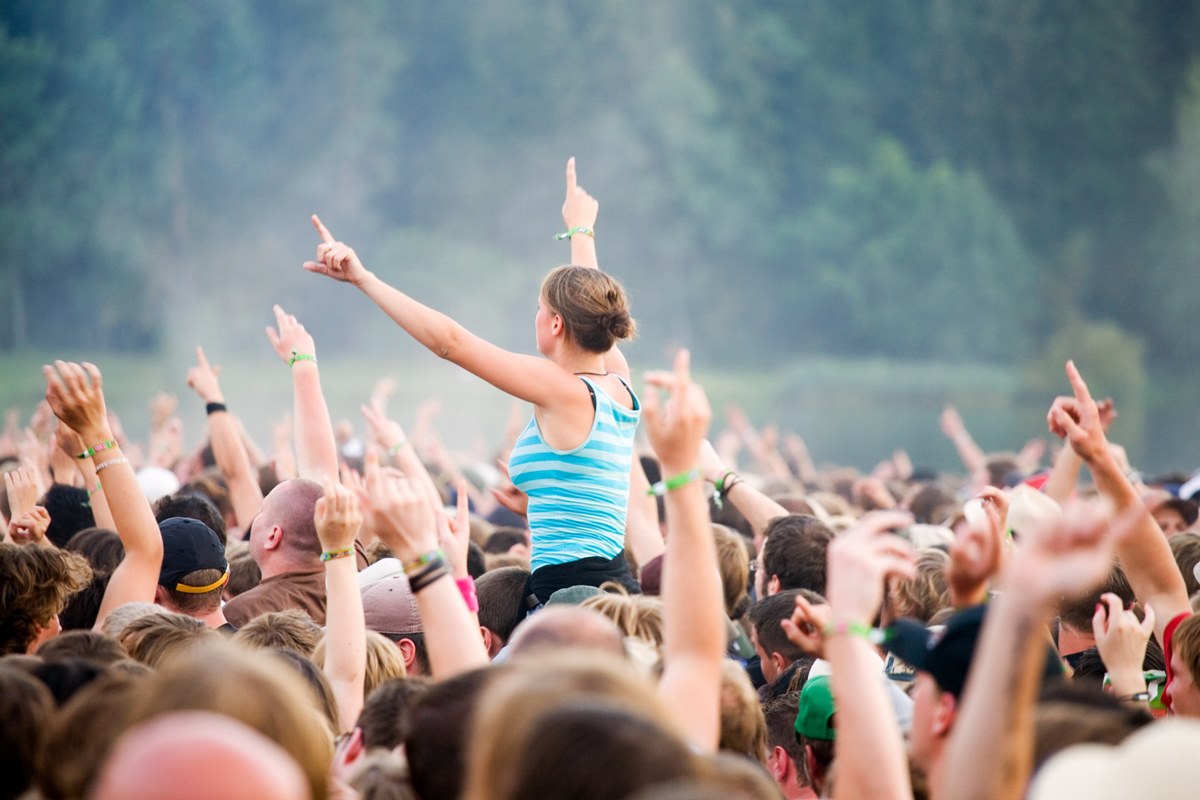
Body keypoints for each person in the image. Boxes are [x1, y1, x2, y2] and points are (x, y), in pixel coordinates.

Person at [304, 159, 641, 603]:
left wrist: (364, 279)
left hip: (571, 596)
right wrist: (580, 231)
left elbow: (450, 343)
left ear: (556, 324)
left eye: (540, 308)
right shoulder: (619, 382)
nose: (535, 316)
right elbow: (589, 301)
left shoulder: (559, 388)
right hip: (613, 584)